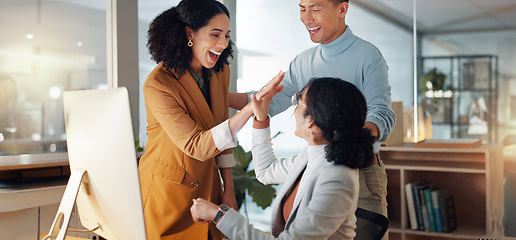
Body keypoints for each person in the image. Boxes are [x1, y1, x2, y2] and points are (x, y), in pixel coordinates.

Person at [228, 0, 396, 225]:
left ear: (342, 9)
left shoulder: (368, 56)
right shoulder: (303, 62)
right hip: (317, 166)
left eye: (315, 9)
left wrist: (343, 147)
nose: (307, 18)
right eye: (302, 9)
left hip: (361, 171)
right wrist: (209, 94)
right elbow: (266, 100)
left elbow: (382, 113)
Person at [139, 0, 284, 239]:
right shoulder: (158, 84)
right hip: (167, 193)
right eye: (215, 34)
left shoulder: (219, 72)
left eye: (227, 35)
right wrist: (249, 109)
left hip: (209, 189)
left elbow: (221, 132)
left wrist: (228, 189)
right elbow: (196, 145)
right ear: (189, 34)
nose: (223, 43)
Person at [191, 77, 375, 239]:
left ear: (311, 120)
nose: (293, 109)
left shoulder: (338, 180)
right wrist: (261, 120)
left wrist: (220, 215)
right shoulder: (314, 154)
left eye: (298, 101)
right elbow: (266, 172)